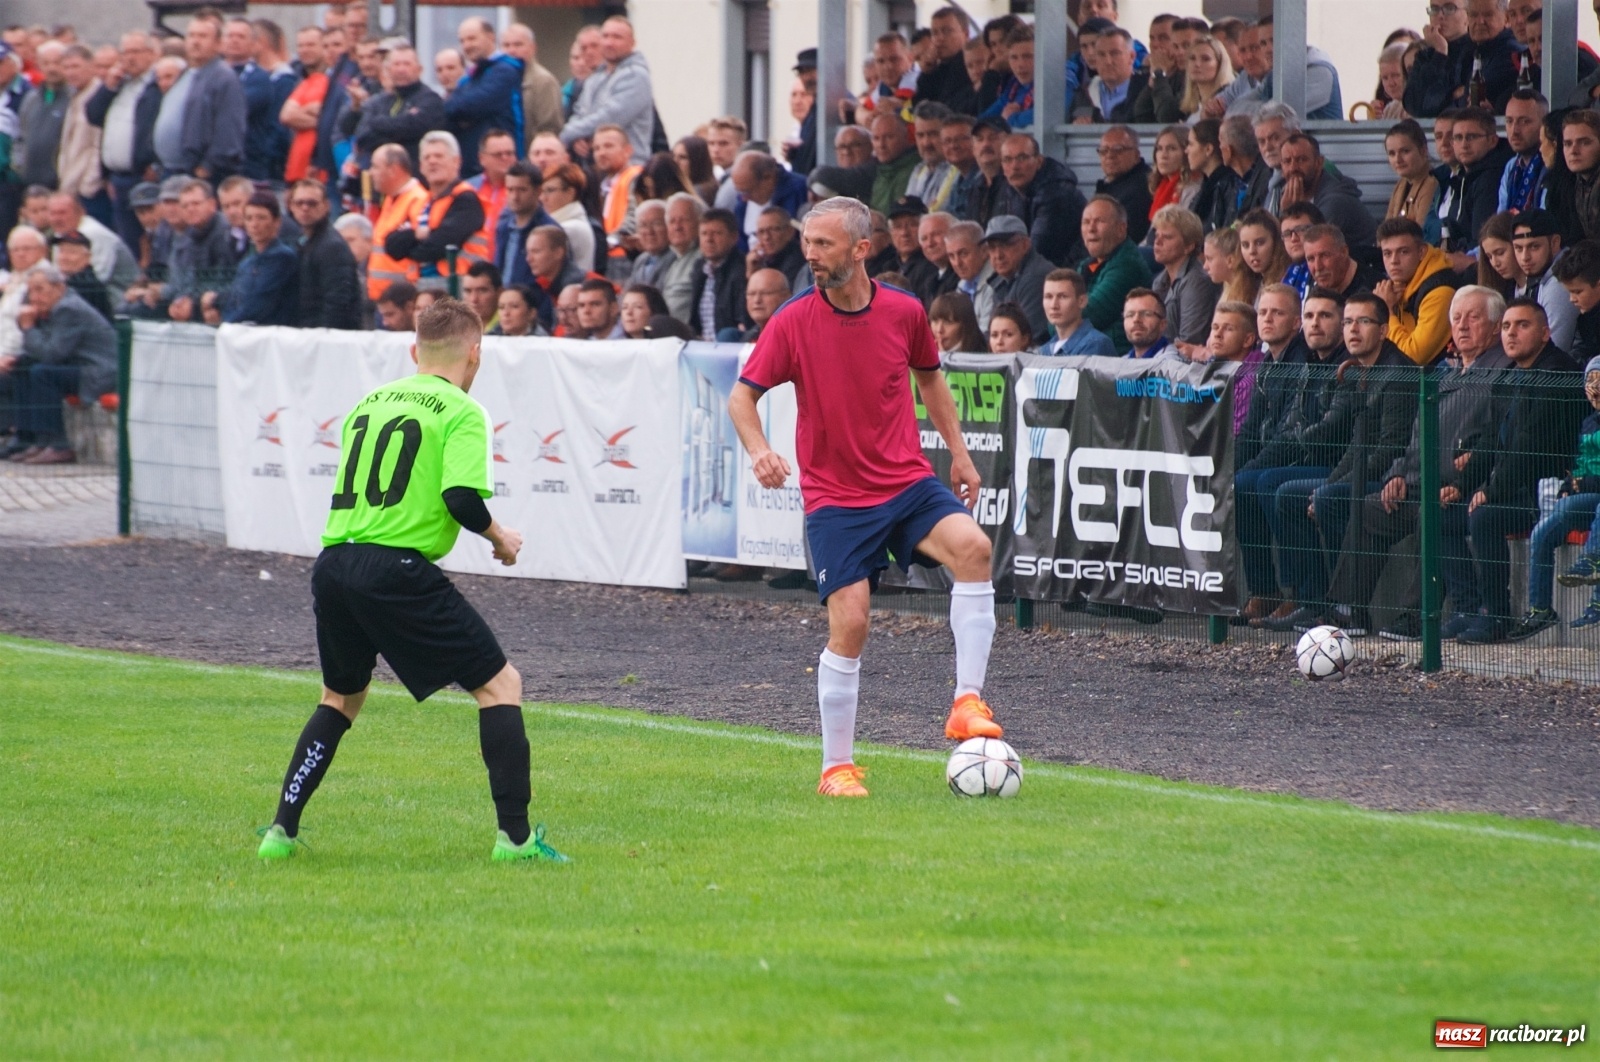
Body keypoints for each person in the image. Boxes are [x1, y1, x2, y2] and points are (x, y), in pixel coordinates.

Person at [255, 298, 568, 864]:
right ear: (476, 353)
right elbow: (459, 498)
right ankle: (516, 841)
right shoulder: (463, 410)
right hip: (394, 568)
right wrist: (500, 536)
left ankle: (281, 832)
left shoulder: (369, 402)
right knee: (501, 687)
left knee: (341, 697)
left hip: (335, 562)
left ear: (413, 350)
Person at [729, 195, 1003, 799]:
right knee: (851, 623)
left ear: (861, 249)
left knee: (975, 549)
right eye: (807, 243)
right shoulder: (794, 319)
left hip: (906, 482)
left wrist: (958, 452)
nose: (811, 255)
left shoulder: (904, 311)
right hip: (836, 497)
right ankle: (837, 769)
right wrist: (759, 450)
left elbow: (930, 375)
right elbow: (741, 398)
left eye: (823, 244)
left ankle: (965, 703)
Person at [1318, 286, 1513, 641]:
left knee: (1431, 516)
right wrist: (1398, 475)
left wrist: (1469, 485)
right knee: (1369, 509)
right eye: (1456, 318)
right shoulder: (1445, 375)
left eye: (1473, 317)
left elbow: (1498, 444)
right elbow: (1414, 439)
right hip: (1418, 484)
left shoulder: (1503, 375)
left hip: (1459, 493)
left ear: (1497, 325)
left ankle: (1416, 616)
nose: (1462, 326)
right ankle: (1350, 610)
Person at [1458, 299, 1584, 643]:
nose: (1511, 333)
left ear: (1545, 332)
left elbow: (1529, 448)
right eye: (1506, 326)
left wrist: (1491, 492)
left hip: (1546, 495)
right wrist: (1460, 485)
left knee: (1484, 517)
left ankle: (1495, 616)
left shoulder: (1556, 374)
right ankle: (1466, 608)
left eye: (1522, 325)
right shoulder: (1510, 375)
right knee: (1442, 513)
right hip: (1515, 490)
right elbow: (1488, 439)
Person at [1232, 283, 1311, 618]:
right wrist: (1229, 468)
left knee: (1256, 483)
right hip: (1269, 462)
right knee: (1237, 484)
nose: (1267, 319)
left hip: (1299, 460)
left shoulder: (1303, 360)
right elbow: (1251, 428)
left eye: (1277, 312)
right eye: (1263, 312)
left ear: (1296, 322)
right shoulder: (1267, 362)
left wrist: (1249, 469)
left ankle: (1296, 592)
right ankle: (1262, 590)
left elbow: (1291, 434)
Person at [1513, 358, 1600, 637]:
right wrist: (1568, 482)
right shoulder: (1588, 421)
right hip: (1586, 498)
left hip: (1593, 497)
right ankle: (1540, 609)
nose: (1594, 387)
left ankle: (1593, 570)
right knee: (1542, 532)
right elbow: (1581, 462)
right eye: (1589, 380)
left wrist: (1583, 483)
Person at [2, 264, 118, 465]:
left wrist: (28, 327)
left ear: (58, 288)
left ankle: (57, 444)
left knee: (43, 373)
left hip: (99, 372)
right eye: (31, 291)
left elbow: (52, 354)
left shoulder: (68, 308)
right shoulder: (51, 308)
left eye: (40, 290)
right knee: (23, 365)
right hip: (77, 364)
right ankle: (28, 438)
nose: (35, 297)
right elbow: (42, 349)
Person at [84, 32, 161, 256]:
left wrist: (153, 163)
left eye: (136, 52)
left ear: (151, 54)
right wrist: (108, 87)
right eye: (125, 52)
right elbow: (93, 114)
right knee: (126, 239)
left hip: (142, 173)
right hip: (118, 177)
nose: (129, 58)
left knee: (147, 239)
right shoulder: (120, 85)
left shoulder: (156, 86)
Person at [384, 131, 487, 288]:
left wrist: (411, 245)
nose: (432, 161)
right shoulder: (421, 202)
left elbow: (438, 246)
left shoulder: (466, 199)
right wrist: (419, 234)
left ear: (456, 161)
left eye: (439, 156)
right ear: (421, 166)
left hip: (458, 287)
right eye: (427, 157)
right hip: (421, 286)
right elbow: (392, 245)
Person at [1404, 0, 1523, 118]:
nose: (1480, 21)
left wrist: (1454, 96)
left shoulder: (1509, 51)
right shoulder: (1427, 55)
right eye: (1474, 15)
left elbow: (1470, 101)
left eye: (1449, 8)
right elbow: (1413, 105)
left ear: (1507, 18)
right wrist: (1440, 54)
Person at [561, 16, 654, 164]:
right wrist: (577, 138)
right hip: (597, 168)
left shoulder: (635, 75)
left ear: (632, 42)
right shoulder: (596, 77)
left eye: (617, 37)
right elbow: (579, 113)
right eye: (605, 36)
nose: (609, 42)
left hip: (629, 168)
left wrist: (569, 133)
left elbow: (609, 118)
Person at [1373, 216, 1458, 365]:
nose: (1394, 261)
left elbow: (1412, 357)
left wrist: (1388, 311)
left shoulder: (1440, 292)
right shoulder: (1398, 287)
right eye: (1387, 253)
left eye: (1403, 252)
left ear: (1421, 252)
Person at [350, 44, 446, 171]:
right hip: (381, 179)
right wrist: (402, 125)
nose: (401, 69)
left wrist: (378, 123)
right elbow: (363, 138)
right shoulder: (379, 101)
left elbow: (415, 127)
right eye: (397, 64)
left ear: (419, 69)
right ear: (388, 69)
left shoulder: (430, 99)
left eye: (407, 64)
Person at [206, 191, 296, 326]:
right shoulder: (247, 262)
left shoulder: (282, 257)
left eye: (261, 218)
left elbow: (257, 305)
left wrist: (226, 323)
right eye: (249, 218)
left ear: (276, 222)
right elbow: (235, 299)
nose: (254, 224)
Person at [1441, 107, 1514, 272]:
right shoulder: (1461, 176)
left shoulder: (1490, 178)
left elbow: (1479, 238)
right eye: (1458, 138)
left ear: (1492, 141)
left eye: (1472, 137)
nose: (1464, 144)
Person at [446, 18, 524, 171]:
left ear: (491, 37)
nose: (466, 45)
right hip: (470, 164)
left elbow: (472, 105)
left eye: (472, 38)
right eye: (462, 41)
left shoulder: (505, 71)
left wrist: (461, 113)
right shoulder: (468, 79)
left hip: (502, 165)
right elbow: (447, 109)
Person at [177, 8, 245, 183]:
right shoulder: (190, 74)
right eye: (191, 35)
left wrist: (208, 166)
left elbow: (229, 128)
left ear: (218, 43)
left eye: (202, 36)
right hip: (183, 169)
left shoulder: (223, 78)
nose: (195, 41)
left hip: (208, 174)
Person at [1078, 194, 1152, 354]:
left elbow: (1086, 316)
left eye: (1099, 221)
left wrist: (1062, 320)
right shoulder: (1086, 265)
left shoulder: (1127, 265)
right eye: (1086, 222)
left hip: (1116, 359)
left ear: (1121, 229)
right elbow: (1058, 318)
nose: (1091, 229)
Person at [1277, 132, 1376, 252]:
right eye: (1287, 161)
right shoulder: (1288, 193)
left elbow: (1311, 249)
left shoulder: (1335, 201)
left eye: (1301, 160)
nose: (1293, 168)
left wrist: (1289, 212)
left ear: (1319, 163)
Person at [288, 179, 361, 330]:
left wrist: (320, 337)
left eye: (312, 203)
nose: (305, 208)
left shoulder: (332, 247)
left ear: (326, 206)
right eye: (299, 203)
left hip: (326, 339)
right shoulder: (303, 241)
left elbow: (338, 303)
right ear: (291, 206)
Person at [1150, 204, 1218, 355]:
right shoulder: (1159, 281)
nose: (1157, 242)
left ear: (1189, 246)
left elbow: (1190, 341)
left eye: (1167, 237)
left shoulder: (1197, 282)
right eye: (1156, 235)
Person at [1511, 209, 1578, 352]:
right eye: (1518, 248)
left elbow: (1554, 348)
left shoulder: (1561, 283)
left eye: (1534, 246)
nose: (1525, 257)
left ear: (1554, 243)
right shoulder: (1540, 274)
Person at [980, 214, 1052, 344]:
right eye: (992, 247)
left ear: (1025, 245)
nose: (998, 255)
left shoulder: (1035, 277)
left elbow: (1028, 337)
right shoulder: (1002, 280)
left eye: (1005, 245)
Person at [13, 41, 69, 190]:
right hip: (30, 181)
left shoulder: (73, 100)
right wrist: (20, 166)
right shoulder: (31, 99)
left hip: (60, 183)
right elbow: (20, 135)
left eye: (57, 62)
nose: (52, 68)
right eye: (46, 63)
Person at [1070, 27, 1148, 124]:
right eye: (1101, 54)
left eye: (1115, 53)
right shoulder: (1083, 94)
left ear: (1131, 57)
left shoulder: (1148, 91)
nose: (1108, 61)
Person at [1384, 119, 1443, 245]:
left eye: (1405, 151)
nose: (1398, 159)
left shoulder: (1431, 184)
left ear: (1423, 150)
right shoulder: (1400, 185)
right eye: (1392, 153)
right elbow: (1385, 232)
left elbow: (1420, 235)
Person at [691, 209, 746, 341]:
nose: (709, 239)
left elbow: (742, 322)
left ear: (734, 237)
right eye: (704, 234)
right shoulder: (699, 268)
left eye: (716, 233)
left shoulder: (742, 270)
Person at [913, 6, 979, 115]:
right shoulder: (937, 69)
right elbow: (920, 110)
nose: (940, 38)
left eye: (947, 31)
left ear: (966, 34)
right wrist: (927, 73)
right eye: (935, 33)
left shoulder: (969, 66)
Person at [501, 24, 561, 139]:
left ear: (533, 48)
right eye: (506, 45)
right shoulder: (497, 81)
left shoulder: (543, 81)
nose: (511, 50)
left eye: (518, 45)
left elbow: (549, 128)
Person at [1094, 126, 1152, 245]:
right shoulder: (1111, 184)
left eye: (1118, 149)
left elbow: (1121, 239)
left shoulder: (1141, 188)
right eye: (1104, 151)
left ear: (1136, 155)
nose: (1109, 155)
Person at [1039, 269, 1114, 356]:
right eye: (1048, 297)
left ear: (1082, 301)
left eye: (1063, 297)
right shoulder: (1044, 350)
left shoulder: (1096, 344)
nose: (1054, 305)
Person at [1302, 224, 1384, 303]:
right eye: (1310, 259)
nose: (1318, 267)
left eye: (1324, 256)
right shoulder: (1312, 288)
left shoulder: (1377, 291)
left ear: (1344, 252)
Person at [1498, 89, 1548, 215]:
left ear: (1544, 125)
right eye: (1509, 121)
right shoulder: (1511, 165)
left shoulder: (1552, 164)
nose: (1514, 131)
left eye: (1524, 121)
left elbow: (1545, 221)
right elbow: (1501, 219)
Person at [1145, 125, 1200, 233]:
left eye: (1171, 148)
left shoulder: (1192, 188)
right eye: (1159, 149)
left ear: (1186, 152)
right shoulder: (1161, 186)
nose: (1163, 155)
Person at [659, 192, 703, 322]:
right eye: (672, 221)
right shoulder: (669, 260)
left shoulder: (704, 258)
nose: (677, 227)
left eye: (684, 220)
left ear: (699, 223)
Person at [904, 102, 955, 213]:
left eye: (933, 134)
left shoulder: (957, 170)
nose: (926, 143)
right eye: (920, 135)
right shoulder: (918, 170)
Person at [945, 220, 994, 333]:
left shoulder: (995, 283)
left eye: (963, 253)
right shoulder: (961, 286)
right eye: (951, 256)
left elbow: (986, 334)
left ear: (984, 251)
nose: (957, 263)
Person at [51, 231, 113, 322]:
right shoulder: (64, 280)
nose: (64, 257)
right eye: (61, 251)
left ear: (87, 257)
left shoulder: (86, 285)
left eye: (71, 252)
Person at [1186, 118, 1233, 234]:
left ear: (1208, 149)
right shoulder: (1207, 186)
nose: (1186, 151)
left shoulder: (1227, 185)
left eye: (1191, 144)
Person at [868, 112, 918, 217]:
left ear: (906, 137)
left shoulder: (915, 170)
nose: (881, 145)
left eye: (889, 137)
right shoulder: (880, 170)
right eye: (876, 138)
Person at [1477, 209, 1524, 299]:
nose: (1495, 263)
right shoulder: (1504, 292)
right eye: (1489, 257)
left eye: (1500, 253)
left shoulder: (1543, 287)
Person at [1203, 226, 1254, 307]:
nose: (1205, 266)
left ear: (1230, 260)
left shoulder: (1249, 294)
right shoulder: (1226, 287)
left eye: (1209, 259)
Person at [738, 268, 790, 341]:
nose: (757, 300)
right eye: (751, 294)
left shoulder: (793, 337)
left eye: (765, 293)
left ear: (786, 296)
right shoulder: (749, 337)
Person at [460, 261, 501, 330]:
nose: (474, 299)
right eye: (468, 291)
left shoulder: (510, 327)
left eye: (482, 290)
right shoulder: (455, 328)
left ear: (499, 292)